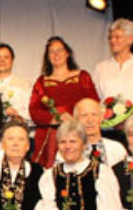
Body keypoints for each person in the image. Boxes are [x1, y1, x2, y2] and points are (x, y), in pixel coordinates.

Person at [29, 36, 98, 167]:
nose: (56, 54)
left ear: (67, 53)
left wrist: (75, 119)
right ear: (47, 56)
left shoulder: (82, 76)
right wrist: (54, 119)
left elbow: (93, 103)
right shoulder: (42, 81)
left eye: (59, 50)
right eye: (52, 51)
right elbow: (34, 109)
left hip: (78, 131)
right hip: (51, 136)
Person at [93, 18, 133, 142]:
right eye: (110, 37)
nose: (112, 41)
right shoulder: (100, 67)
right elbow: (96, 99)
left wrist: (128, 121)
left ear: (130, 39)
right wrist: (112, 121)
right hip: (110, 131)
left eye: (117, 37)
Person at [67, 98, 127, 167]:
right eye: (84, 115)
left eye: (94, 114)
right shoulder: (68, 152)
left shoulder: (117, 148)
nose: (90, 120)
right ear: (75, 120)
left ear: (101, 117)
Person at [0, 43, 34, 128]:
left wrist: (17, 116)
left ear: (12, 61)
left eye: (6, 57)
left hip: (18, 132)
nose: (2, 60)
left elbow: (31, 111)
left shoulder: (24, 83)